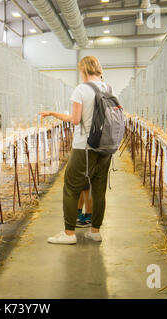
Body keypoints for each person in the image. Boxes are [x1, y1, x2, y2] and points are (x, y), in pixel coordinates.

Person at [39, 56, 113, 244]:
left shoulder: (81, 90)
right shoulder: (108, 87)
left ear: (84, 70)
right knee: (99, 189)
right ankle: (95, 231)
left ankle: (69, 233)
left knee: (71, 187)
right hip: (104, 146)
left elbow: (75, 119)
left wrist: (53, 113)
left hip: (84, 146)